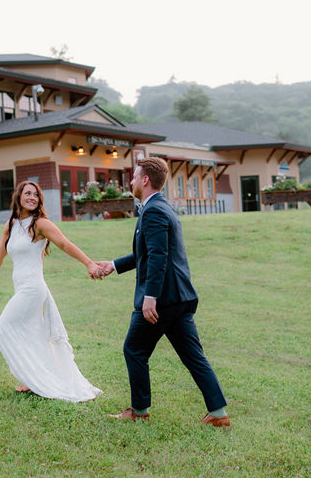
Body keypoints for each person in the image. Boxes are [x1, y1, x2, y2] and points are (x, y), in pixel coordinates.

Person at [95, 157, 230, 427]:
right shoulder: (160, 206)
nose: (131, 181)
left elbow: (158, 256)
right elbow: (145, 253)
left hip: (163, 299)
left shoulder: (153, 211)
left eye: (134, 176)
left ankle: (139, 411)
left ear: (145, 180)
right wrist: (113, 265)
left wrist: (150, 297)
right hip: (180, 297)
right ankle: (218, 415)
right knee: (194, 357)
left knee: (134, 349)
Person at [0, 181, 103, 402]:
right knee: (31, 335)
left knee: (2, 329)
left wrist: (89, 263)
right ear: (18, 196)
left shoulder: (40, 224)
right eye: (27, 193)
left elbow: (65, 244)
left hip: (32, 289)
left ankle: (34, 379)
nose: (32, 198)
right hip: (21, 288)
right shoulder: (11, 224)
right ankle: (31, 379)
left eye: (36, 195)